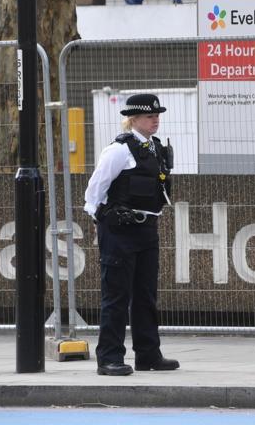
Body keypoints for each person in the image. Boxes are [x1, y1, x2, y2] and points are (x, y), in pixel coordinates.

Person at [84, 93, 178, 376]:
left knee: (145, 295)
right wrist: (101, 217)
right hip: (120, 231)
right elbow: (93, 191)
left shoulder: (154, 148)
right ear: (133, 119)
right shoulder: (119, 150)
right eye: (150, 116)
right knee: (116, 296)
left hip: (147, 228)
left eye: (157, 115)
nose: (155, 120)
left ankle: (148, 355)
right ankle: (109, 357)